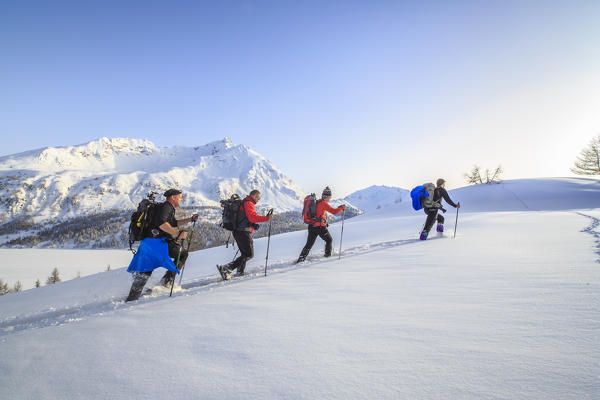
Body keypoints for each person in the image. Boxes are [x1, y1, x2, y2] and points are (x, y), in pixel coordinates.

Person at [125, 189, 198, 301]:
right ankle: (166, 282)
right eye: (180, 197)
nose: (181, 199)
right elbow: (162, 224)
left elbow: (174, 223)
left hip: (151, 243)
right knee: (182, 254)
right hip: (156, 244)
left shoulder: (167, 208)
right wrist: (178, 234)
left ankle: (132, 297)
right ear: (173, 197)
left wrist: (190, 219)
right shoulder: (166, 207)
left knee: (146, 270)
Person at [217, 190, 273, 280]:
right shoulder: (248, 203)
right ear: (254, 196)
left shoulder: (244, 202)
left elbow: (244, 218)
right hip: (242, 232)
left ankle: (240, 272)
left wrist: (253, 225)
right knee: (249, 254)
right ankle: (226, 268)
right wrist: (266, 218)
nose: (258, 200)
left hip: (238, 232)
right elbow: (252, 217)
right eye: (258, 198)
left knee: (244, 254)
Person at [296, 186, 345, 263]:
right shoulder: (324, 203)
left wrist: (325, 222)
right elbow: (334, 212)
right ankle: (327, 256)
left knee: (309, 244)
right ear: (327, 196)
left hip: (312, 226)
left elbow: (319, 214)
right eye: (330, 197)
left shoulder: (317, 202)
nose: (330, 199)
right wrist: (341, 208)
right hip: (320, 227)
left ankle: (301, 259)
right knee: (329, 240)